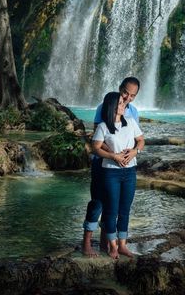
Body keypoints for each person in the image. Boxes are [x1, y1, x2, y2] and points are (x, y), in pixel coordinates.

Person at [82, 77, 141, 257]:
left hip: (123, 166)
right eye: (125, 93)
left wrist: (132, 152)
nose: (127, 98)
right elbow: (97, 138)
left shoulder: (133, 113)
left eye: (132, 96)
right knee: (98, 203)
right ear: (120, 89)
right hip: (103, 164)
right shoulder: (105, 106)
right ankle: (86, 244)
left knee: (116, 207)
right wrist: (115, 154)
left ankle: (106, 244)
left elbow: (135, 139)